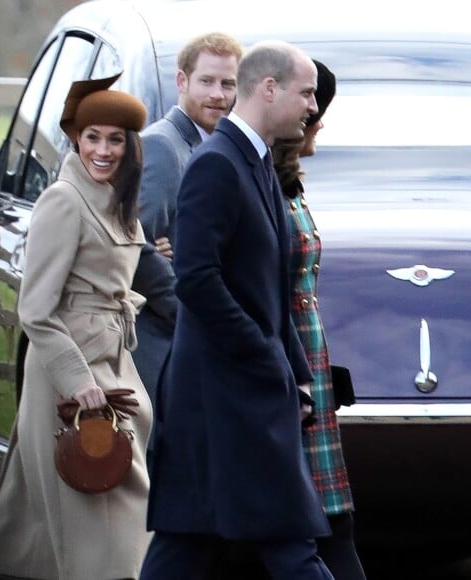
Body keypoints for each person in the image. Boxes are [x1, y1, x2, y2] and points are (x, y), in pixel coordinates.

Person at [140, 41, 334, 580]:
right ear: (269, 89)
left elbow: (268, 291)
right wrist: (266, 361)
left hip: (239, 394)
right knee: (287, 543)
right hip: (222, 398)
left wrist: (294, 371)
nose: (312, 108)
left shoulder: (255, 163)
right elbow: (197, 281)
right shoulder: (217, 165)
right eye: (306, 93)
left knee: (187, 543)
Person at [0, 75, 153, 580]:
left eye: (116, 139)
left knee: (57, 526)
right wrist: (80, 382)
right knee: (103, 509)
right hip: (71, 376)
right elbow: (35, 308)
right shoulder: (64, 200)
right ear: (76, 138)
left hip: (112, 363)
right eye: (92, 136)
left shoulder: (115, 200)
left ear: (131, 145)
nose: (103, 149)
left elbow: (105, 278)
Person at [272, 60, 367, 580]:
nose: (319, 122)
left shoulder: (289, 185)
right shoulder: (256, 180)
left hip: (309, 364)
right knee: (303, 529)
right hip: (289, 368)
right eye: (313, 110)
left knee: (333, 521)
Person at [131, 32, 242, 441]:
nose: (217, 94)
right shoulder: (162, 145)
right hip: (160, 341)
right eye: (206, 81)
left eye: (227, 84)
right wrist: (189, 312)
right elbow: (133, 244)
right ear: (182, 81)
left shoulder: (206, 145)